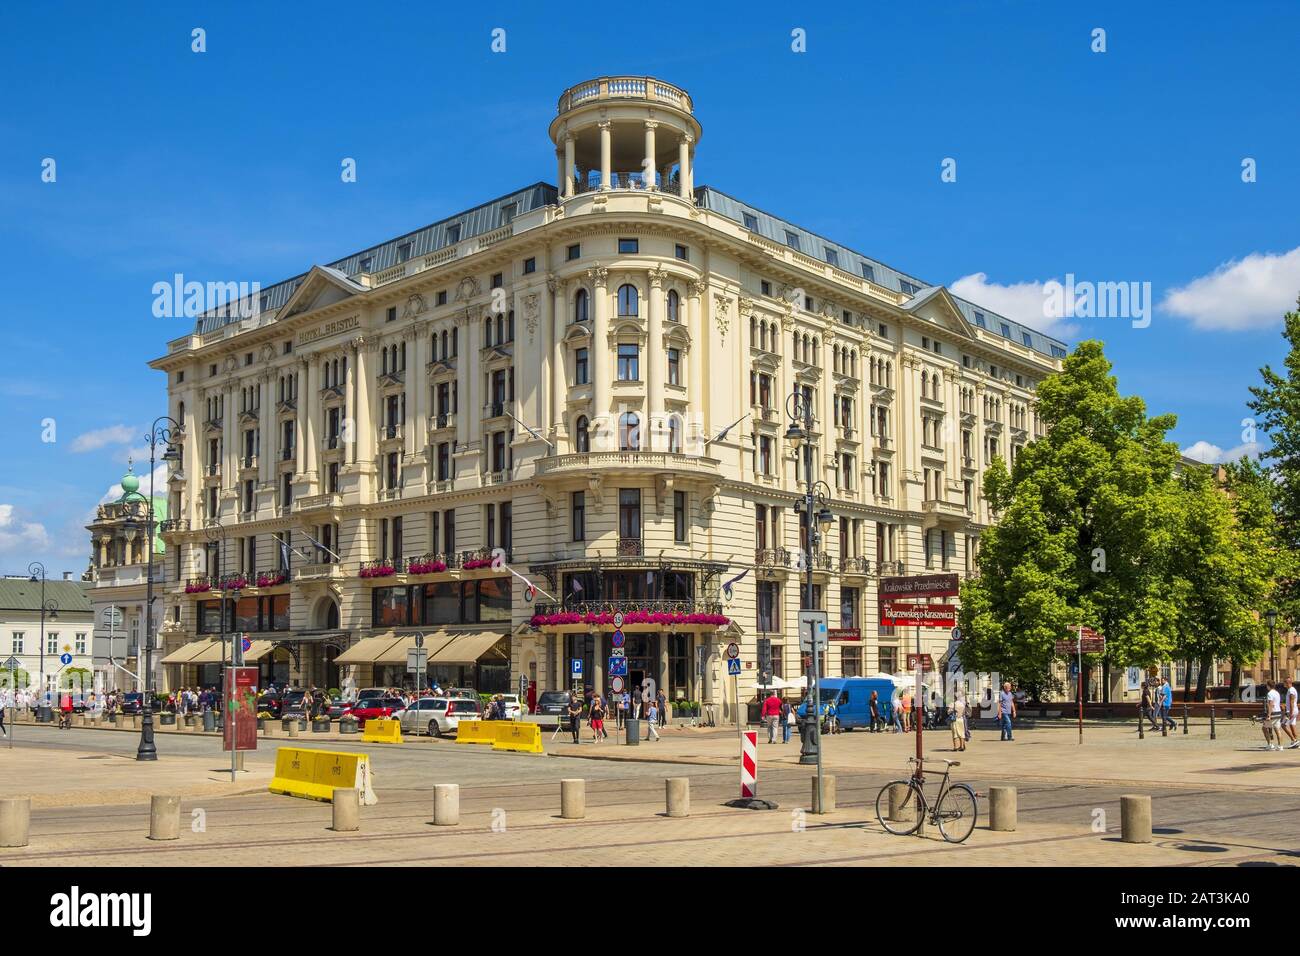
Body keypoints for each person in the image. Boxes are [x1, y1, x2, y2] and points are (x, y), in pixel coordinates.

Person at [1262, 680, 1284, 751]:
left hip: (1273, 713)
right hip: (1278, 712)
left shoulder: (1270, 693)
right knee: (1277, 729)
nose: (1266, 687)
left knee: (1264, 728)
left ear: (1268, 686)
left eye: (1267, 685)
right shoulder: (1277, 693)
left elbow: (1270, 704)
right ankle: (1280, 746)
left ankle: (1270, 745)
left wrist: (1269, 715)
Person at [1284, 677, 1300, 749]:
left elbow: (1291, 702)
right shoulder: (1291, 690)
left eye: (1284, 682)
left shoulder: (1291, 690)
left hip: (1291, 711)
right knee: (1292, 725)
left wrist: (1290, 712)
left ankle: (1294, 740)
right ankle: (1296, 742)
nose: (1284, 684)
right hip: (1293, 710)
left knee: (1283, 724)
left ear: (1288, 683)